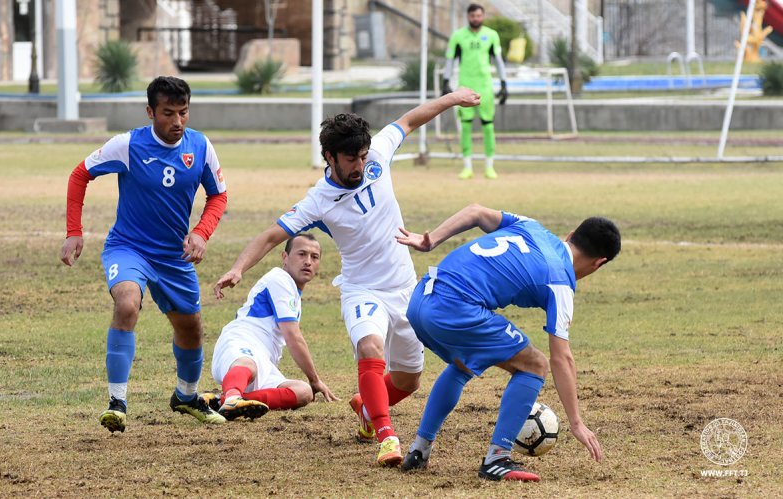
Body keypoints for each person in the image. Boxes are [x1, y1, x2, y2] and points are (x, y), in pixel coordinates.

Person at [213, 87, 481, 466]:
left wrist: (453, 98)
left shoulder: (377, 157)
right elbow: (272, 235)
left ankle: (366, 408)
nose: (359, 165)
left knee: (408, 380)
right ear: (330, 157)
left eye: (362, 156)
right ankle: (387, 437)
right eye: (351, 159)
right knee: (370, 348)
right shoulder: (318, 200)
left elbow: (409, 120)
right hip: (362, 289)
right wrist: (238, 268)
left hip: (405, 288)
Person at [395, 204, 620, 481]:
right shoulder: (561, 282)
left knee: (465, 362)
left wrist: (430, 240)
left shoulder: (530, 225)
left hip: (421, 299)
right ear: (599, 263)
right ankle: (497, 458)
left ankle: (419, 450)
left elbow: (476, 211)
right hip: (454, 308)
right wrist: (577, 423)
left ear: (571, 234)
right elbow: (562, 358)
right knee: (535, 365)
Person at [60, 76, 229, 432]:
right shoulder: (128, 145)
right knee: (127, 304)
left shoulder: (200, 146)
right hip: (129, 247)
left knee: (191, 329)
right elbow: (80, 174)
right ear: (150, 112)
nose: (178, 121)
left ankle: (186, 397)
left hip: (173, 257)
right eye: (168, 113)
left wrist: (201, 233)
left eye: (183, 112)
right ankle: (117, 403)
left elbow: (218, 196)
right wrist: (74, 231)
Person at [210, 233, 339, 420]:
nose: (308, 262)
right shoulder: (279, 279)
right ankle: (232, 397)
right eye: (302, 254)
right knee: (248, 365)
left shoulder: (293, 290)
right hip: (240, 343)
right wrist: (315, 379)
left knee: (303, 392)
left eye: (314, 257)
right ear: (285, 257)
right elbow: (293, 337)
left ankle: (219, 401)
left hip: (263, 360)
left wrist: (311, 384)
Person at [442, 3, 508, 180]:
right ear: (468, 17)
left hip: (485, 86)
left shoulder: (491, 35)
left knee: (488, 126)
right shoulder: (458, 36)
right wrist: (445, 81)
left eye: (479, 16)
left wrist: (504, 83)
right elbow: (450, 60)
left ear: (483, 16)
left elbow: (498, 61)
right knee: (465, 127)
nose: (476, 19)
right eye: (473, 16)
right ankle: (467, 167)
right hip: (465, 87)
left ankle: (489, 167)